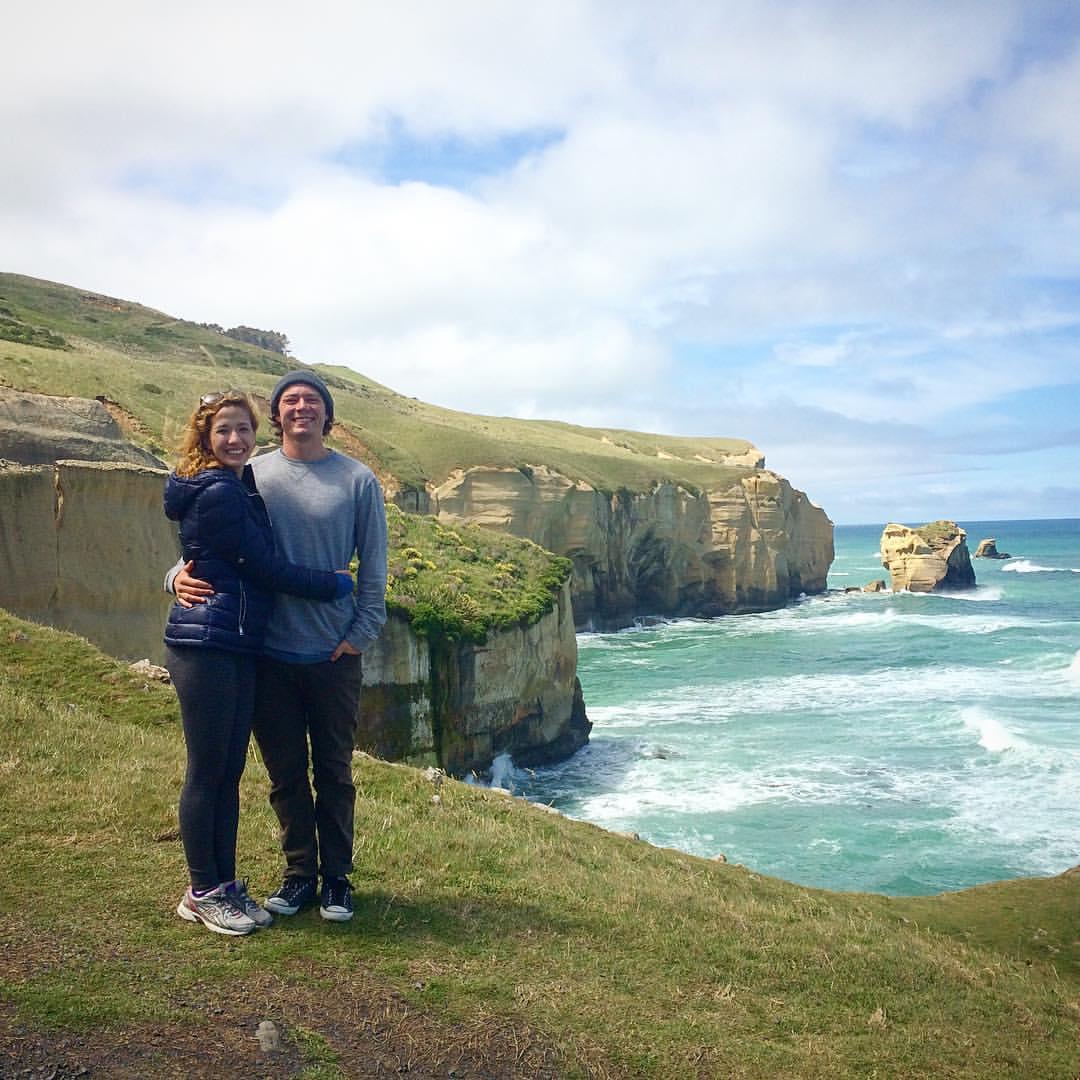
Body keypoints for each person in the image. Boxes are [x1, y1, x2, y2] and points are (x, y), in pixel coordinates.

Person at [171, 370, 387, 923]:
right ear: (277, 413)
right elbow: (209, 539)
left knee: (334, 772)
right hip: (265, 651)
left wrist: (359, 635)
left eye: (312, 401)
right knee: (284, 774)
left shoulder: (357, 479)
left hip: (332, 653)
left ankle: (337, 880)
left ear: (326, 414)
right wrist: (174, 575)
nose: (301, 408)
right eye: (290, 400)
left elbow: (374, 570)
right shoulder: (250, 472)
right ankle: (298, 877)